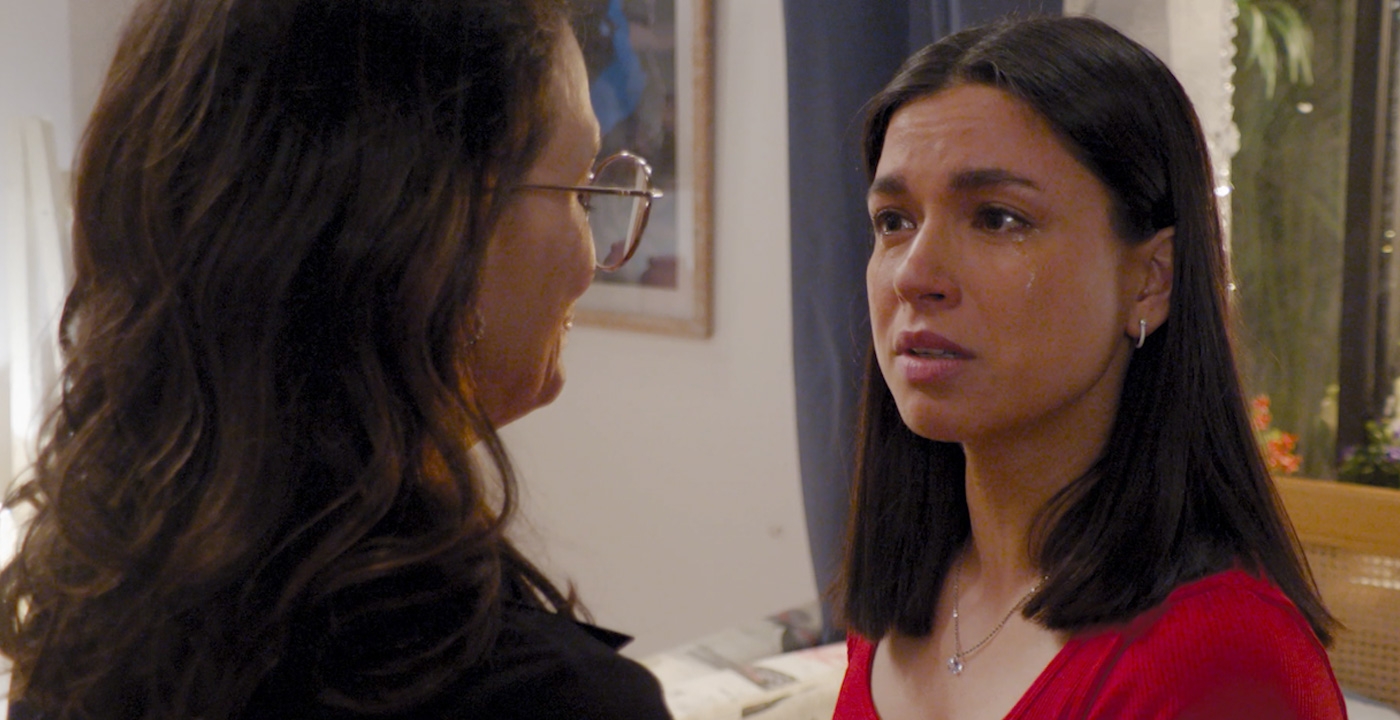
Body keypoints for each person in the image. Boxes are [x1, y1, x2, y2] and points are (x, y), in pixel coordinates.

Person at [0, 0, 671, 718]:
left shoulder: (92, 607)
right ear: (426, 232)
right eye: (577, 186)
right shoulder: (546, 700)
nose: (589, 265)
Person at [834, 15, 1345, 720]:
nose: (914, 274)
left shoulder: (1219, 661)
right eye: (894, 221)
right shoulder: (905, 592)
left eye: (997, 218)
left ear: (1150, 280)